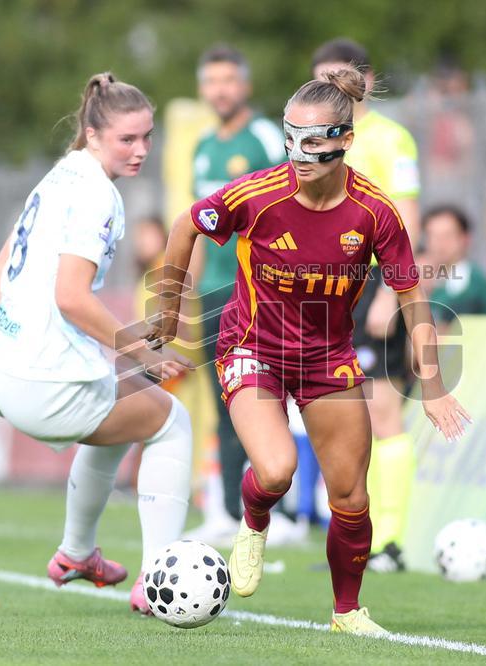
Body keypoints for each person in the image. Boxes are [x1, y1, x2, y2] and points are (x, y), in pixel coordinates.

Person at [150, 67, 470, 634]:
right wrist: (168, 308)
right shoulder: (257, 194)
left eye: (315, 140)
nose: (299, 153)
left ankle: (347, 612)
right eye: (290, 136)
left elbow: (413, 299)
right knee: (276, 470)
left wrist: (435, 388)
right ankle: (253, 522)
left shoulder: (375, 213)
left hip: (327, 358)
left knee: (350, 494)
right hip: (251, 347)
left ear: (346, 141)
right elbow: (185, 224)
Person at [0, 73, 194, 615]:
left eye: (147, 137)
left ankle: (76, 554)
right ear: (93, 134)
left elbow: (2, 267)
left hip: (1, 370)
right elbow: (71, 297)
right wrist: (144, 356)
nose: (141, 149)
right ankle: (157, 578)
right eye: (127, 139)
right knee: (171, 422)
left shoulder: (59, 176)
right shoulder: (98, 194)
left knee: (123, 416)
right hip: (44, 382)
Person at [311, 38, 421, 573]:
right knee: (341, 416)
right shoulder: (315, 139)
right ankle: (354, 540)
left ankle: (391, 542)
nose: (330, 88)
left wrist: (390, 295)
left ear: (367, 81)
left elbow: (408, 223)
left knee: (382, 412)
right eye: (320, 79)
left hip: (371, 286)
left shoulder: (390, 140)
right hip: (327, 292)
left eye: (340, 77)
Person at [186, 45, 289, 544]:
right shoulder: (203, 146)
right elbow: (199, 227)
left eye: (229, 79)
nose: (220, 90)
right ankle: (228, 510)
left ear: (244, 85)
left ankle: (282, 514)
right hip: (212, 295)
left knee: (269, 397)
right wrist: (187, 292)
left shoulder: (267, 136)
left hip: (262, 295)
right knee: (222, 399)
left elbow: (293, 204)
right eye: (212, 81)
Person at [420, 205, 486, 326]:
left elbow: (446, 326)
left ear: (465, 239)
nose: (439, 243)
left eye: (447, 236)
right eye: (432, 236)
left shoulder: (473, 281)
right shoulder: (428, 277)